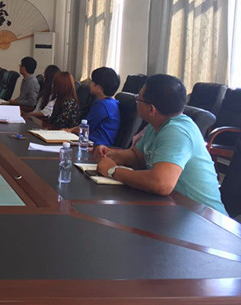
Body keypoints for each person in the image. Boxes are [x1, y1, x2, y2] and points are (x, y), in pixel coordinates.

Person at [95, 74, 226, 214]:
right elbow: (138, 157)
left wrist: (113, 171)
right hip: (174, 209)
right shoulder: (157, 124)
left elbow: (161, 184)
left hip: (203, 218)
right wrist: (111, 155)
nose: (136, 102)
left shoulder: (177, 131)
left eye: (138, 99)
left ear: (151, 110)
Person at [66, 67, 120, 146]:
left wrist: (69, 130)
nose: (89, 84)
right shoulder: (113, 103)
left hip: (95, 146)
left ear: (99, 88)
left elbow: (85, 127)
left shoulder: (102, 106)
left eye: (92, 81)